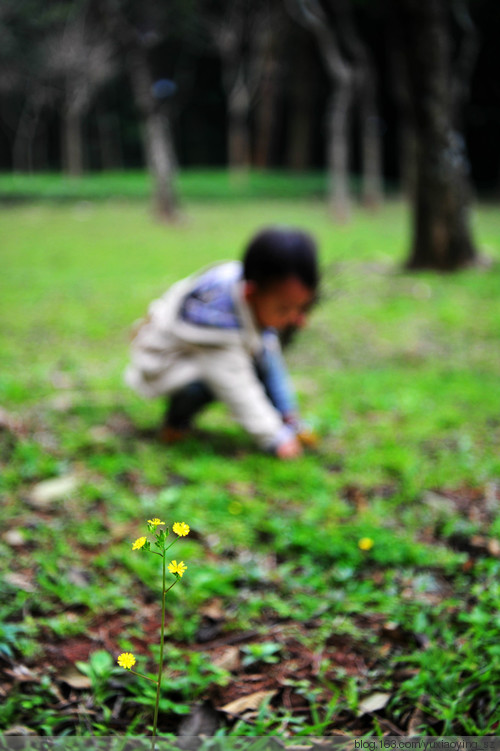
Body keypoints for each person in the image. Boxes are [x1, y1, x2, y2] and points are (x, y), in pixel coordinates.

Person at [125, 226, 319, 459]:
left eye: (302, 308)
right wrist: (275, 438)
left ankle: (286, 419)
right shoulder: (217, 324)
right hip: (163, 364)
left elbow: (271, 361)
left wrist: (289, 415)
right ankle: (175, 423)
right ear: (250, 293)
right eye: (285, 309)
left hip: (200, 356)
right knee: (210, 381)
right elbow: (238, 387)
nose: (297, 319)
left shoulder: (251, 287)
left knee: (264, 359)